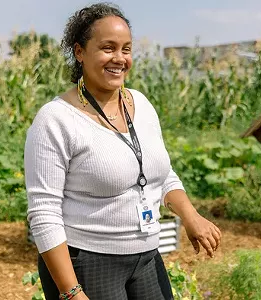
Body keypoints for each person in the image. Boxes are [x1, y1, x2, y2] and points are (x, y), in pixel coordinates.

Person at [24, 3, 221, 300]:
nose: (119, 58)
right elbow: (43, 213)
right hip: (88, 262)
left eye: (126, 49)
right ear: (79, 52)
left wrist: (191, 216)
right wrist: (71, 292)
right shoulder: (56, 119)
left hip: (146, 256)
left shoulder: (140, 104)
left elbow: (160, 173)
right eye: (108, 48)